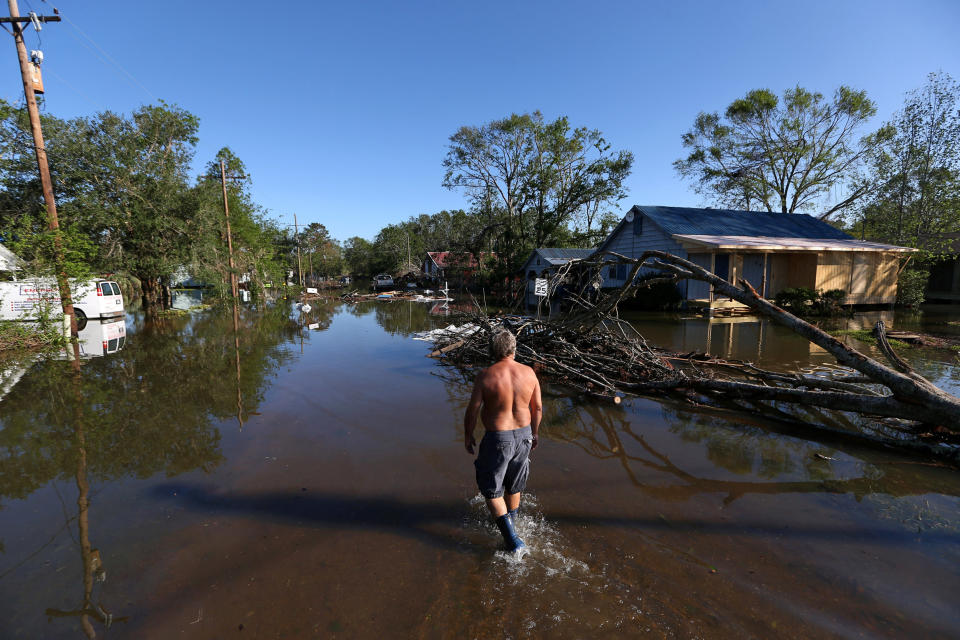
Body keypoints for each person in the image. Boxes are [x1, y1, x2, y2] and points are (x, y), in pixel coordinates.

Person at [464, 329, 542, 553]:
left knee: (491, 489)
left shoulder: (486, 375)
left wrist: (468, 436)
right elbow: (537, 408)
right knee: (514, 484)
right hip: (524, 435)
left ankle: (513, 541)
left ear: (492, 350)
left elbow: (472, 410)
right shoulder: (529, 373)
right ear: (513, 349)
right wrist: (535, 433)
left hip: (498, 438)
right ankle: (511, 525)